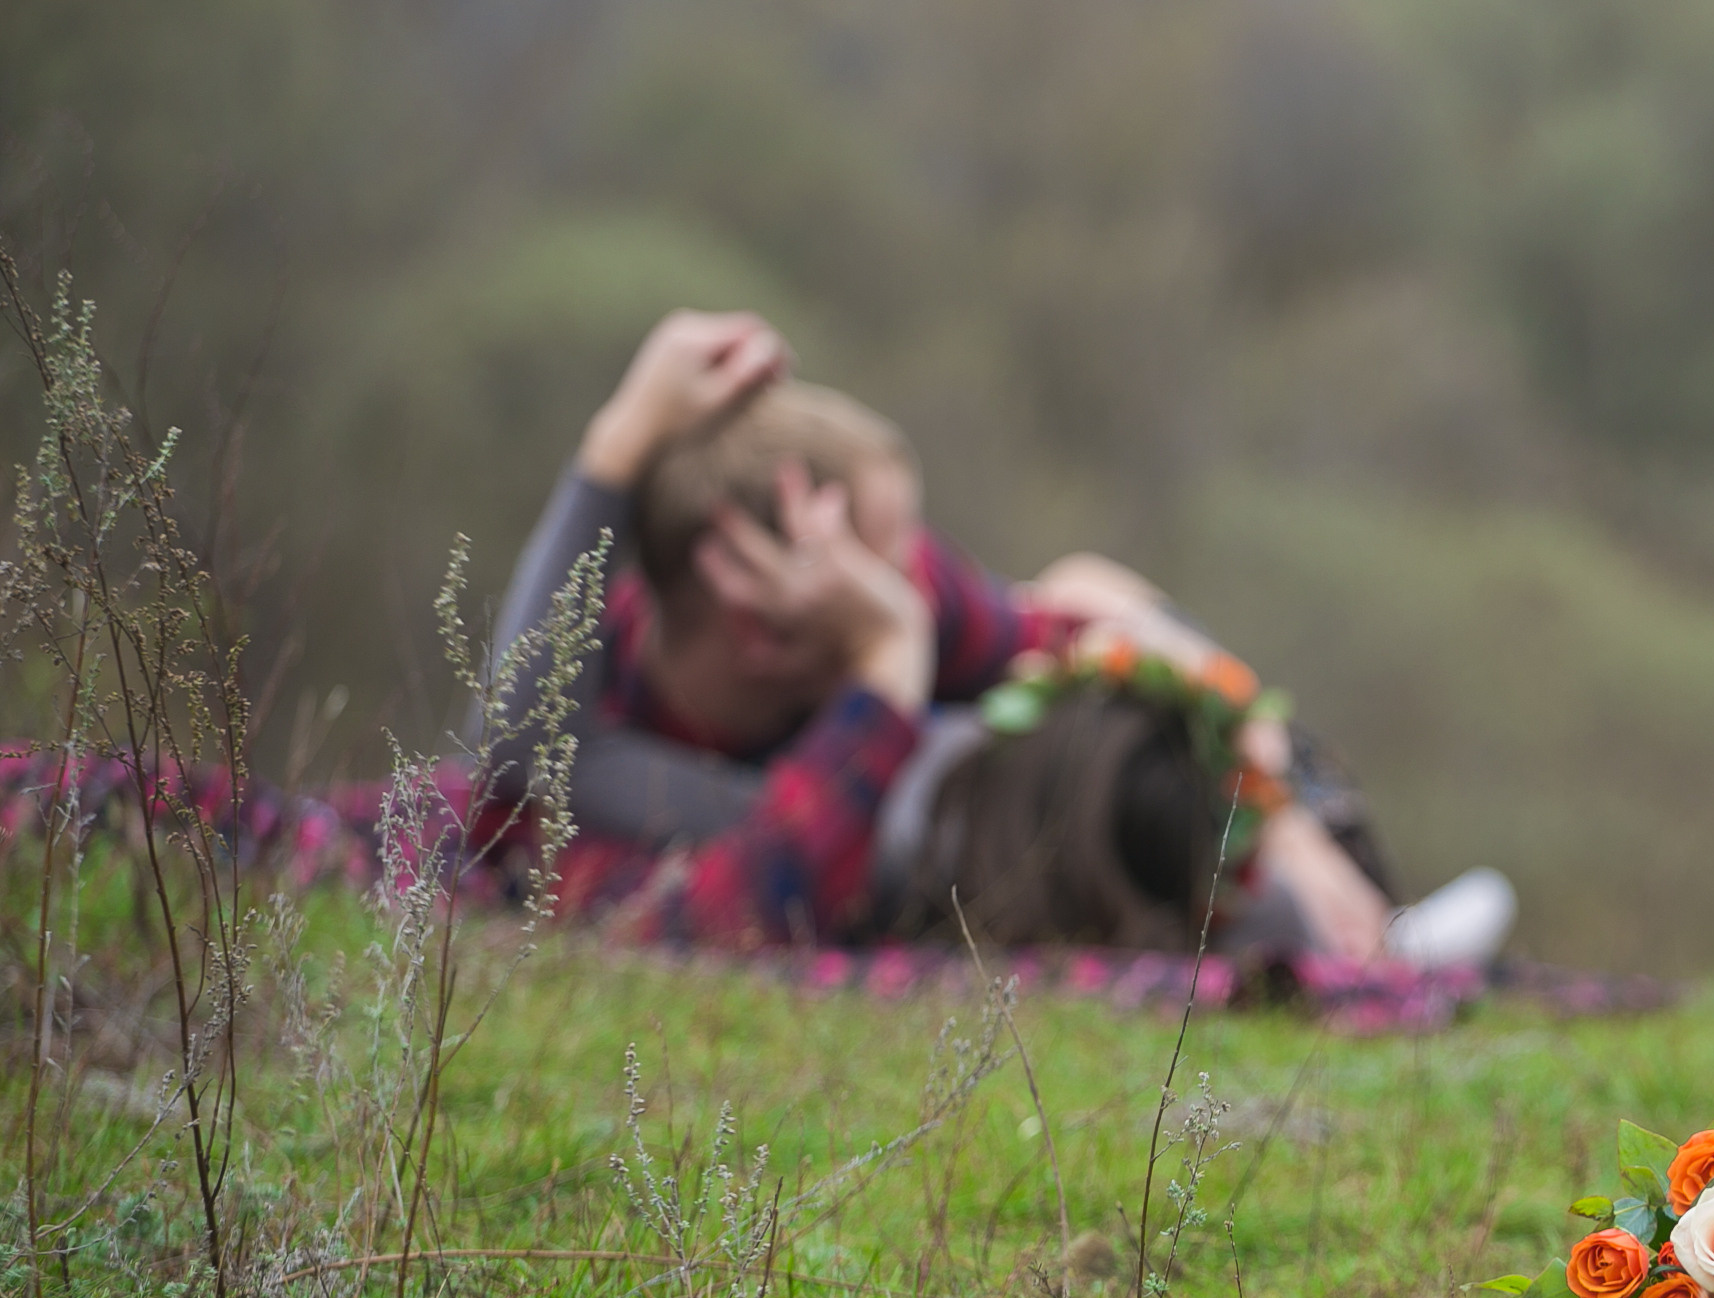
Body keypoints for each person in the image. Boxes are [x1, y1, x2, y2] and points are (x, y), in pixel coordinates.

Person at [482, 309, 1515, 964]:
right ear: (759, 617)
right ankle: (1306, 934)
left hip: (941, 814)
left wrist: (1281, 818)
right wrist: (618, 441)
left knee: (1099, 618)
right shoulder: (608, 744)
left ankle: (1354, 914)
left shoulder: (899, 598)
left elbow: (1109, 625)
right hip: (930, 866)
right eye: (882, 563)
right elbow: (525, 751)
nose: (913, 585)